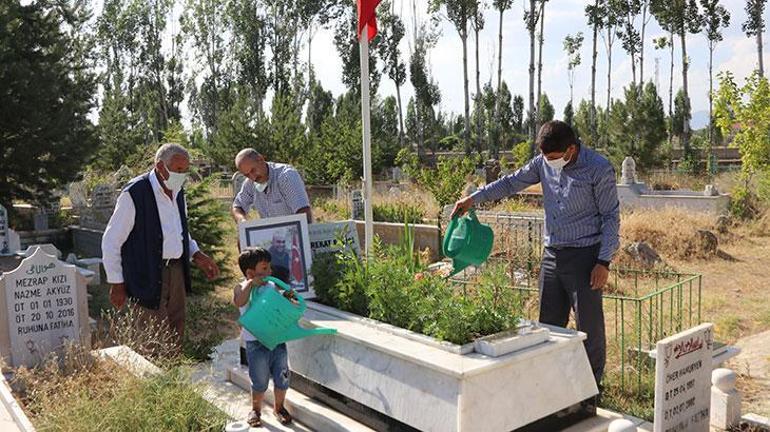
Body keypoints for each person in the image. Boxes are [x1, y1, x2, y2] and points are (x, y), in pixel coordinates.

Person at [452, 120, 620, 386]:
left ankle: (591, 387)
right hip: (552, 255)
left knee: (590, 328)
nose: (548, 162)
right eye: (544, 156)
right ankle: (551, 384)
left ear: (571, 150)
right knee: (549, 326)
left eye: (553, 157)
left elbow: (611, 217)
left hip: (586, 257)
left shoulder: (598, 169)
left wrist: (603, 261)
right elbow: (510, 183)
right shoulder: (543, 163)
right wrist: (474, 199)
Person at [102, 143, 220, 344]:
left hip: (176, 271)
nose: (182, 175)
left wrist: (196, 254)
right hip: (147, 272)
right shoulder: (135, 193)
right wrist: (117, 283)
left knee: (176, 328)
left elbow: (179, 230)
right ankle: (155, 373)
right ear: (159, 166)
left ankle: (173, 373)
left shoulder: (177, 191)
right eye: (178, 170)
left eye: (185, 170)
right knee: (152, 334)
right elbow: (111, 241)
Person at [234, 248, 293, 427]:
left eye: (270, 268)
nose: (270, 272)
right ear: (251, 273)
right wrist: (251, 283)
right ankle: (256, 409)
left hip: (276, 340)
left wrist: (286, 297)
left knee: (282, 376)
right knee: (259, 380)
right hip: (256, 344)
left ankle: (279, 407)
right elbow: (239, 301)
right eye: (265, 268)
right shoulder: (241, 287)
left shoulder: (271, 286)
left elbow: (276, 302)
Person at [231, 148, 312, 224]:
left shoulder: (286, 176)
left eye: (253, 170)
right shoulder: (250, 183)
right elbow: (237, 206)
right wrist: (242, 221)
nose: (253, 177)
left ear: (261, 159)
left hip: (294, 234)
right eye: (247, 175)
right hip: (272, 237)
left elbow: (303, 212)